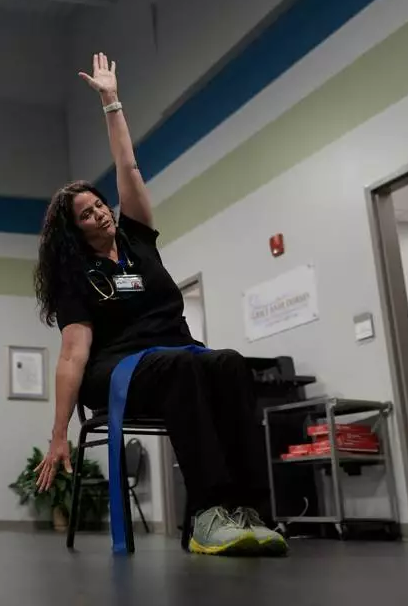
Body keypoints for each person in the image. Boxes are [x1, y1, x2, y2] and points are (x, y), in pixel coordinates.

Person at [31, 53, 286, 557]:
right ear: (74, 231)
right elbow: (73, 355)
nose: (100, 213)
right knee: (181, 368)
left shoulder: (138, 238)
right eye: (87, 214)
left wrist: (112, 102)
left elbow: (128, 166)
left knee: (230, 364)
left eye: (99, 204)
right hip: (116, 370)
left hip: (174, 354)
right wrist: (59, 432)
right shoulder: (76, 277)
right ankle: (207, 515)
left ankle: (248, 510)